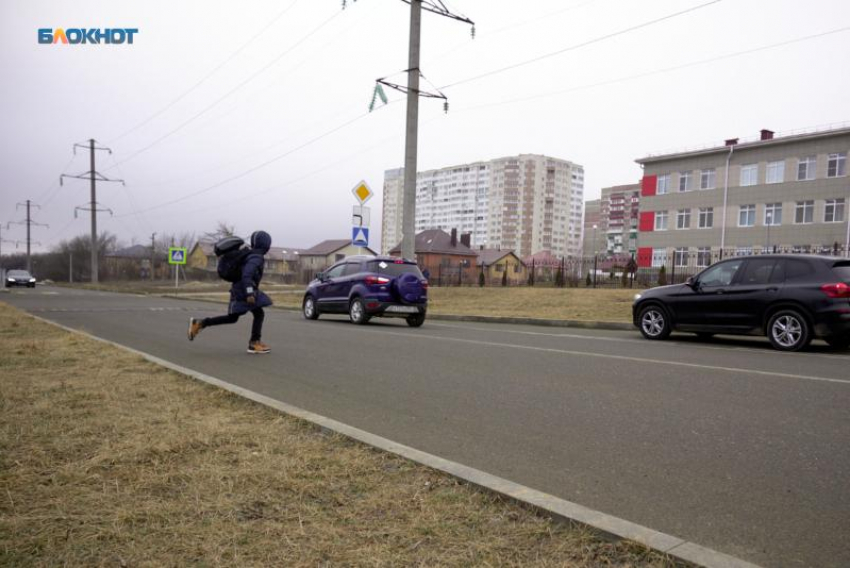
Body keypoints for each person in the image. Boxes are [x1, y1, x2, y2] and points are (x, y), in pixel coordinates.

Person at [188, 231, 274, 354]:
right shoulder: (256, 257)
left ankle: (200, 323)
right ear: (265, 244)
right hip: (244, 290)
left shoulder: (251, 254)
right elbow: (247, 274)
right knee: (258, 314)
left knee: (233, 318)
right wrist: (249, 293)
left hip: (240, 288)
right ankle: (254, 343)